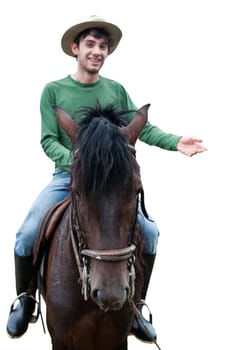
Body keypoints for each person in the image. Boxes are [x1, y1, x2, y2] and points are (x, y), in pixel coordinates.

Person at [6, 15, 207, 343]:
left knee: (151, 233)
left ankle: (136, 305)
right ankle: (25, 299)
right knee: (26, 233)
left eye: (103, 46)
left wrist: (176, 142)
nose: (97, 51)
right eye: (90, 44)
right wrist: (78, 162)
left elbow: (141, 130)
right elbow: (48, 140)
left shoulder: (116, 90)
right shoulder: (53, 91)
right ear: (76, 48)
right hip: (67, 176)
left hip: (110, 183)